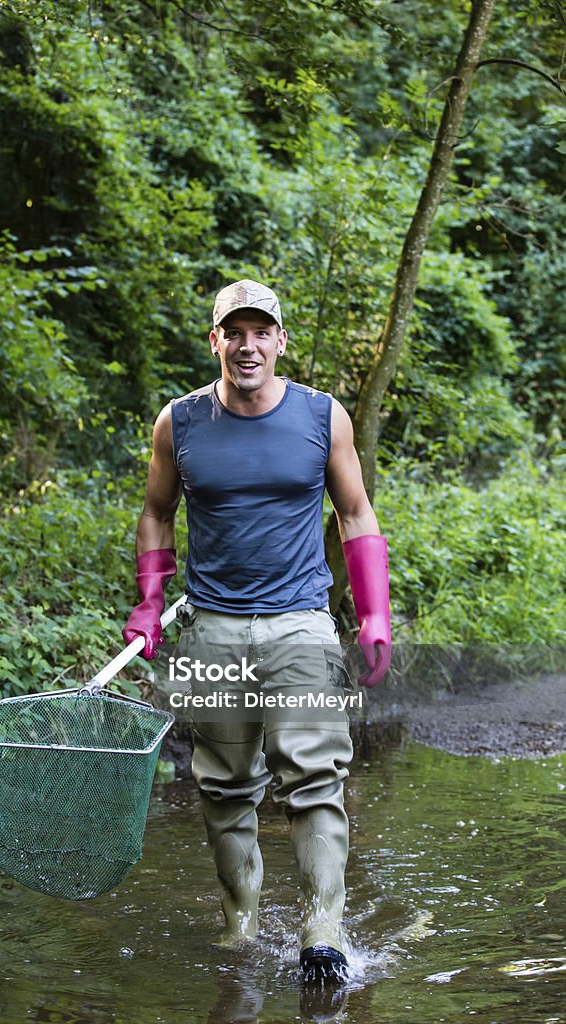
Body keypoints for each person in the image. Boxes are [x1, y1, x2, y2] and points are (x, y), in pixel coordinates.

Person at [122, 279, 391, 987]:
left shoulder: (319, 415)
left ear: (279, 340)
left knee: (315, 778)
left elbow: (355, 512)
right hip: (212, 628)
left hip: (301, 622)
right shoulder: (177, 423)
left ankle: (322, 934)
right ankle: (239, 926)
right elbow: (156, 511)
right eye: (232, 332)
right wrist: (149, 603)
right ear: (214, 341)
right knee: (224, 788)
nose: (246, 345)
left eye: (259, 331)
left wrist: (373, 613)